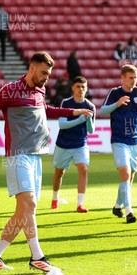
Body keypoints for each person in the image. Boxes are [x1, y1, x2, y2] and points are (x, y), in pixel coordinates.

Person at [0, 51, 93, 272]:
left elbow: (46, 111)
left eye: (49, 73)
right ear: (32, 68)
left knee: (23, 212)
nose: (47, 77)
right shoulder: (10, 90)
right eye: (44, 72)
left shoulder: (40, 90)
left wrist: (74, 111)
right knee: (30, 205)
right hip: (18, 156)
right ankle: (37, 257)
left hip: (36, 156)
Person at [99, 65, 137, 222]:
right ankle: (129, 211)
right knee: (125, 174)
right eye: (131, 77)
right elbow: (102, 111)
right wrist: (117, 104)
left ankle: (118, 205)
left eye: (136, 77)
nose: (134, 80)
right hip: (119, 140)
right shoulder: (115, 93)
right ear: (123, 78)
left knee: (130, 177)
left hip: (135, 141)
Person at [51, 76, 95, 212]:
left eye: (83, 87)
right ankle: (55, 197)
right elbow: (62, 124)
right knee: (59, 172)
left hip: (80, 143)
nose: (80, 89)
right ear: (72, 88)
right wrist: (81, 118)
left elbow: (91, 130)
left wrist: (87, 120)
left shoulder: (90, 106)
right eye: (78, 86)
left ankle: (80, 204)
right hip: (63, 143)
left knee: (83, 169)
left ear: (86, 88)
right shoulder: (66, 103)